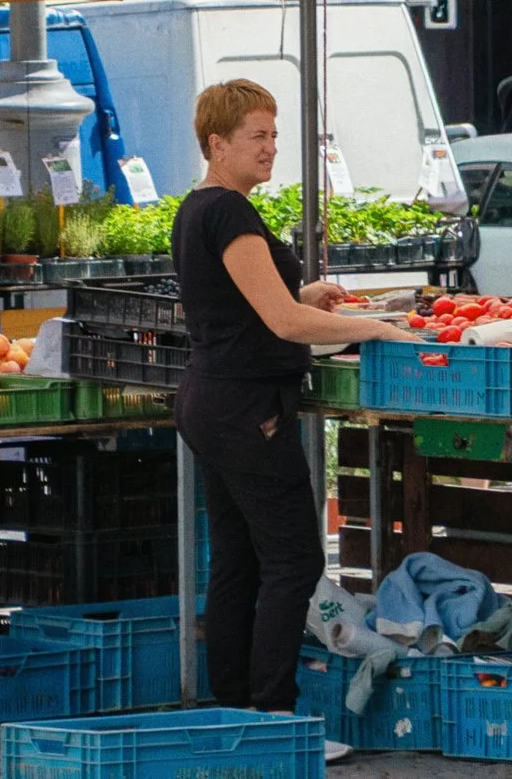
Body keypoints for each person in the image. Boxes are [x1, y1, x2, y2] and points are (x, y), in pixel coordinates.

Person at [173, 81, 406, 720]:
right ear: (216, 144)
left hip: (212, 399)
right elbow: (283, 324)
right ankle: (275, 712)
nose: (271, 147)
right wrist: (378, 328)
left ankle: (234, 710)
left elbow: (241, 305)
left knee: (239, 560)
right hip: (246, 409)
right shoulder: (229, 212)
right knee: (294, 559)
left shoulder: (198, 208)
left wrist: (301, 296)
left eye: (274, 135)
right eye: (257, 136)